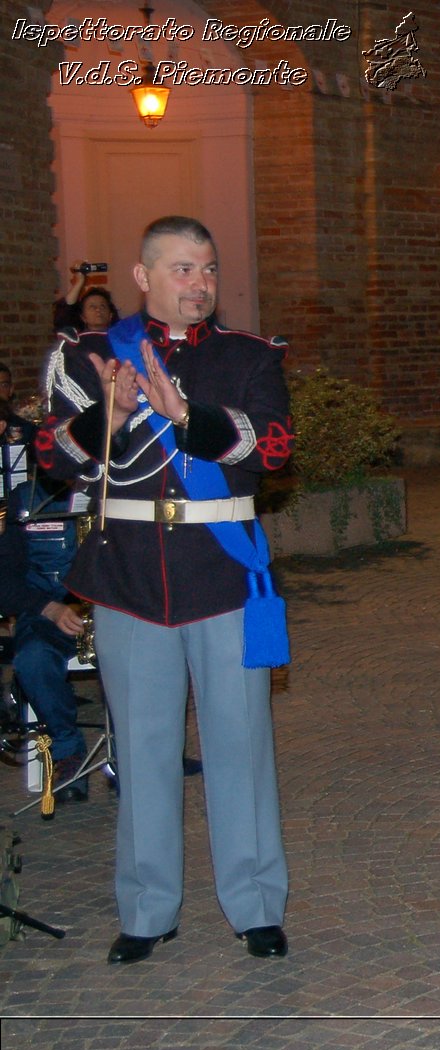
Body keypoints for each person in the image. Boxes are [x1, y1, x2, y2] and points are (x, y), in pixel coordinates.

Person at [36, 215, 295, 964]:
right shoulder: (89, 356)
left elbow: (273, 449)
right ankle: (148, 911)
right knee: (142, 748)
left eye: (209, 269)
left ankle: (255, 906)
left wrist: (188, 418)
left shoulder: (249, 357)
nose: (200, 285)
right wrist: (109, 414)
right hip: (128, 582)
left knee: (240, 745)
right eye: (182, 270)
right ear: (143, 277)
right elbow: (51, 459)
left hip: (223, 574)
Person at [0, 478, 90, 805]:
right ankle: (68, 749)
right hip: (46, 612)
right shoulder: (26, 498)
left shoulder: (116, 485)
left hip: (108, 608)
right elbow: (5, 577)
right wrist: (48, 608)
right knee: (32, 660)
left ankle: (138, 753)